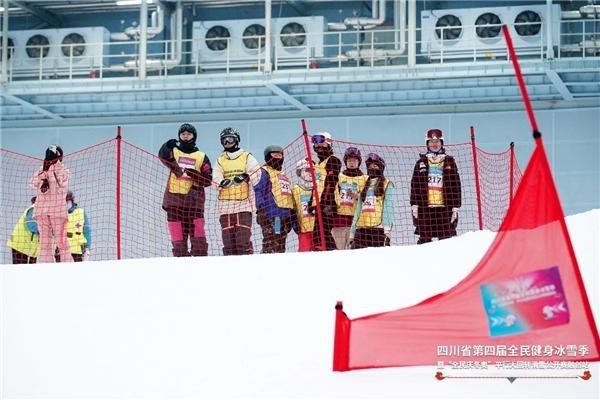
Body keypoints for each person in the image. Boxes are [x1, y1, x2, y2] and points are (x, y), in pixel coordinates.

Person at [159, 123, 213, 257]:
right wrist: (167, 145)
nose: (185, 136)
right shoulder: (175, 152)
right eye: (183, 134)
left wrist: (194, 174)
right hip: (174, 202)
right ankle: (180, 258)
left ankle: (200, 259)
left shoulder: (201, 156)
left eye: (189, 134)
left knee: (198, 234)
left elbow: (208, 180)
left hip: (194, 202)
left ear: (194, 136)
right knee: (177, 235)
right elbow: (163, 156)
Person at [213, 127, 261, 256]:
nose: (227, 142)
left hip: (243, 204)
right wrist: (221, 182)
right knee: (228, 241)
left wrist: (246, 176)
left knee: (242, 240)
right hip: (225, 206)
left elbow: (256, 173)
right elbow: (215, 177)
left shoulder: (246, 156)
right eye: (224, 140)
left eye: (230, 139)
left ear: (237, 140)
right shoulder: (220, 160)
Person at [410, 129, 462, 244]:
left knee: (446, 239)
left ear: (442, 143)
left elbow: (456, 185)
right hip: (425, 209)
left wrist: (456, 207)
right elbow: (414, 185)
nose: (434, 144)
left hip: (445, 208)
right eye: (431, 142)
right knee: (425, 239)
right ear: (427, 144)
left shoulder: (450, 162)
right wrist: (414, 205)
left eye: (437, 141)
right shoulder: (420, 163)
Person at [29, 145, 73, 263]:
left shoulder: (62, 170)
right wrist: (44, 174)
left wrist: (52, 171)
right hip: (42, 210)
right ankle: (45, 266)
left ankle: (68, 265)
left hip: (57, 210)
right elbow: (32, 182)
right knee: (44, 242)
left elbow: (61, 186)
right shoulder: (41, 170)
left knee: (61, 241)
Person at [349, 153, 395, 249]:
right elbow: (358, 210)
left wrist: (387, 230)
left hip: (378, 229)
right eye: (370, 166)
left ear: (380, 167)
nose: (372, 168)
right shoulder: (364, 185)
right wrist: (352, 232)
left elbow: (389, 208)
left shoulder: (387, 184)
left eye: (375, 166)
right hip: (361, 229)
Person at [254, 145, 293, 253]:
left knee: (281, 243)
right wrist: (260, 209)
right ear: (267, 157)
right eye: (274, 155)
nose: (278, 157)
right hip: (273, 215)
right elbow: (259, 190)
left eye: (280, 155)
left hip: (285, 215)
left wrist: (292, 213)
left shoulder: (283, 174)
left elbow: (288, 194)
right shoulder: (264, 171)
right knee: (271, 241)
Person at [310, 131, 342, 250]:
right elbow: (317, 186)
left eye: (322, 144)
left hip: (328, 203)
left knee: (322, 232)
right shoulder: (319, 164)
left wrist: (327, 202)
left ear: (328, 144)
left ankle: (328, 252)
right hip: (319, 203)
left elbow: (331, 182)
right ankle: (325, 250)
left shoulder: (333, 160)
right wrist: (311, 202)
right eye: (316, 145)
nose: (319, 147)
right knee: (319, 233)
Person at [333, 147, 368, 250]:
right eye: (349, 160)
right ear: (345, 161)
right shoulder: (339, 176)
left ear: (359, 162)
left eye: (354, 160)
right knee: (338, 249)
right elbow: (333, 192)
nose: (352, 163)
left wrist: (357, 196)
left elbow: (368, 197)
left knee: (352, 250)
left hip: (355, 219)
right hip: (339, 219)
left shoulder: (364, 178)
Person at [291, 159, 316, 252]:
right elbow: (292, 209)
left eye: (313, 170)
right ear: (300, 172)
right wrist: (295, 224)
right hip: (304, 230)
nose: (310, 173)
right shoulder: (295, 189)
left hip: (319, 229)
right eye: (307, 170)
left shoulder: (319, 188)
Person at [7, 197, 39, 264]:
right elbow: (32, 226)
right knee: (20, 270)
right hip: (21, 245)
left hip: (30, 247)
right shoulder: (34, 209)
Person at [65, 191, 92, 262]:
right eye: (65, 201)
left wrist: (87, 248)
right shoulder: (58, 213)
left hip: (78, 251)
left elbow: (87, 231)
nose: (67, 203)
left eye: (68, 200)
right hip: (62, 251)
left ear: (72, 200)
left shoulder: (81, 212)